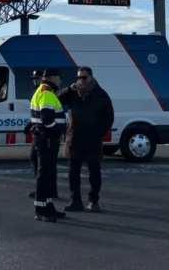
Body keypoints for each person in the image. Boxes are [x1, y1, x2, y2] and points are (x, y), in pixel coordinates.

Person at [57, 66, 114, 212]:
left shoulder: (101, 94)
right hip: (75, 139)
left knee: (94, 172)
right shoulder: (73, 93)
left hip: (93, 140)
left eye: (84, 77)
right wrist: (70, 88)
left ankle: (93, 201)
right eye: (78, 77)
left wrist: (98, 133)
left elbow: (109, 118)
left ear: (91, 77)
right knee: (73, 172)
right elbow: (57, 99)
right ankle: (75, 201)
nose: (81, 80)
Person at [30, 68, 67, 222]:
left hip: (44, 138)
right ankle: (41, 210)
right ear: (52, 78)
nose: (61, 81)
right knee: (45, 175)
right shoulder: (47, 93)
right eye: (59, 78)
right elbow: (47, 118)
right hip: (48, 139)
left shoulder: (42, 90)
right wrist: (58, 132)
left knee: (49, 175)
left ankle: (49, 207)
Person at [26, 70, 57, 200]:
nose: (34, 80)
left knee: (45, 163)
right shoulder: (40, 91)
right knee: (38, 160)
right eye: (33, 78)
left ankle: (46, 190)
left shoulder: (45, 91)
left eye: (36, 78)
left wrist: (55, 131)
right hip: (40, 132)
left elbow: (46, 115)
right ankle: (44, 188)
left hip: (45, 134)